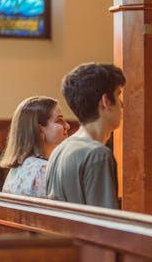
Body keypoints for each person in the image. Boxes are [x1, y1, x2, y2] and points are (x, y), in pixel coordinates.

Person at [46, 63, 126, 209]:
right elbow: (105, 225)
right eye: (118, 94)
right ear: (106, 102)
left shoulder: (59, 150)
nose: (122, 104)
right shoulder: (97, 154)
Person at [0, 96, 70, 197]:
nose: (67, 126)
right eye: (59, 120)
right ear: (39, 130)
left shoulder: (17, 169)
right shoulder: (43, 170)